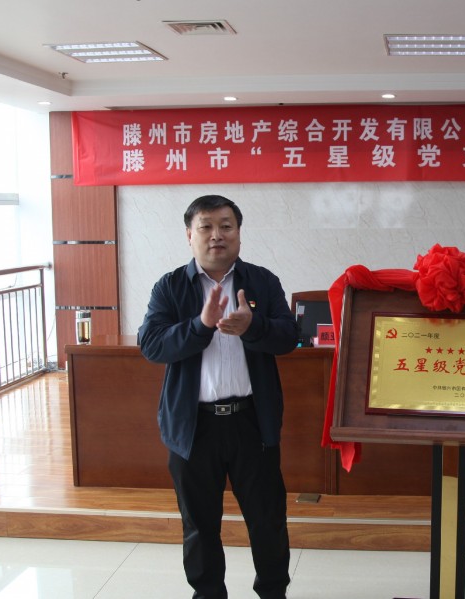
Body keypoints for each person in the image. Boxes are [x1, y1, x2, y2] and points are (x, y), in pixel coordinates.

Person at [138, 194, 299, 599]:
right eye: (206, 227)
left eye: (226, 226)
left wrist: (253, 326)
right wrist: (200, 325)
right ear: (189, 235)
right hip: (194, 427)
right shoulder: (170, 287)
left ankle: (273, 593)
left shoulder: (262, 281)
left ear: (239, 234)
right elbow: (152, 345)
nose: (216, 235)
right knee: (199, 525)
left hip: (252, 423)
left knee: (267, 521)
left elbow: (288, 338)